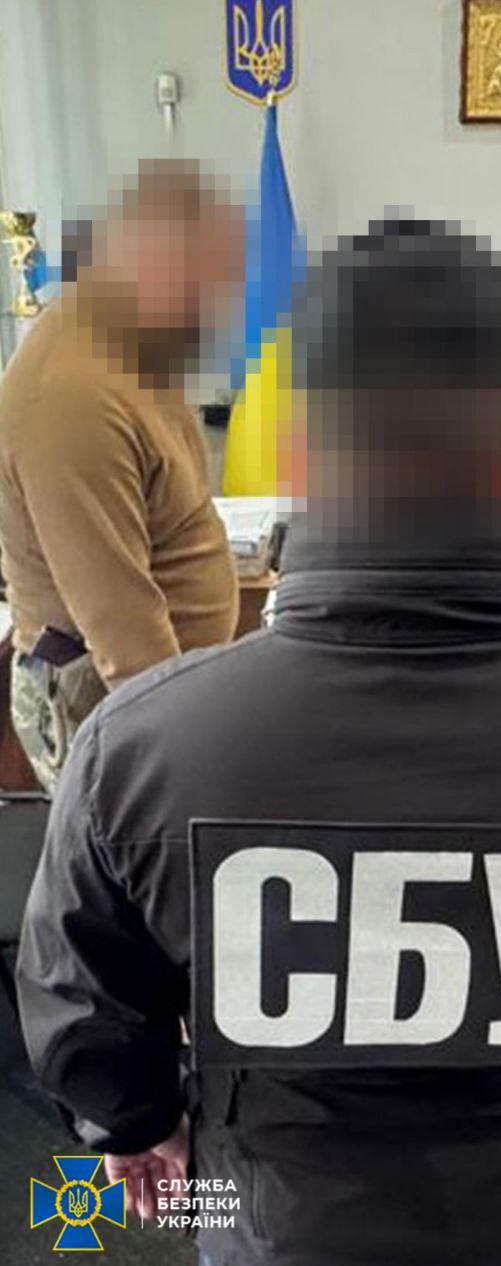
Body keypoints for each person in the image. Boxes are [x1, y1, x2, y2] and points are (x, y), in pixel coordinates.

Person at [17, 222, 501, 1266]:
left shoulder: (133, 746)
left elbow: (82, 1018)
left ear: (301, 455)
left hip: (275, 1234)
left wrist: (141, 1122)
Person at [0, 159, 242, 793]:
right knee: (136, 856)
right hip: (117, 712)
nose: (215, 307)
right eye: (204, 284)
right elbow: (121, 632)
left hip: (171, 693)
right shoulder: (71, 398)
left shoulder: (128, 340)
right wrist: (186, 766)